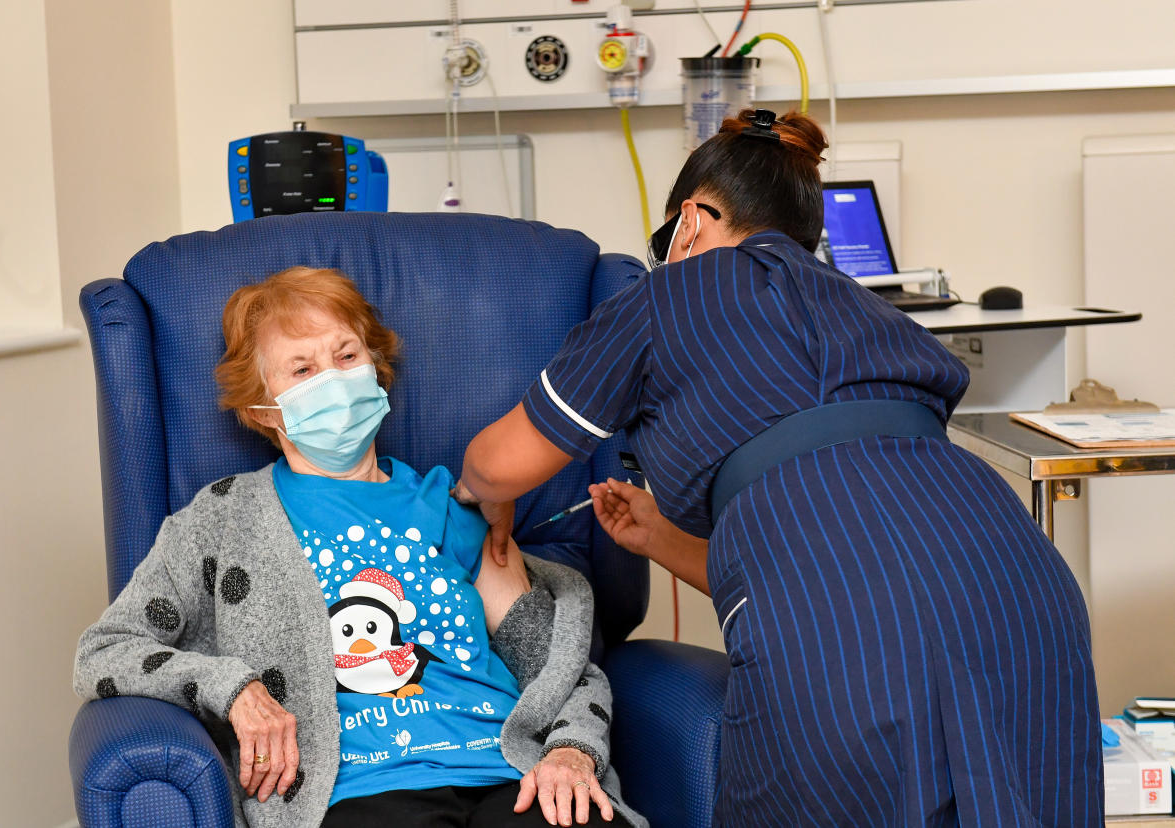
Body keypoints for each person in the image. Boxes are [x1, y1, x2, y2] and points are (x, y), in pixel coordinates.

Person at [456, 110, 1102, 826]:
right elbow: (859, 538)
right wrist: (658, 539)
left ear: (693, 220)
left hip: (842, 628)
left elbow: (498, 463)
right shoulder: (868, 308)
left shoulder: (663, 299)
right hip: (1020, 591)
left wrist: (483, 496)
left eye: (666, 237)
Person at [74, 266, 645, 828]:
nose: (333, 380)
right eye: (302, 369)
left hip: (509, 773)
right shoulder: (222, 521)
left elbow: (558, 667)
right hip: (360, 791)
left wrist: (572, 752)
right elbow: (104, 651)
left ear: (376, 368)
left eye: (347, 357)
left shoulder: (451, 506)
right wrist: (234, 690)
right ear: (260, 409)